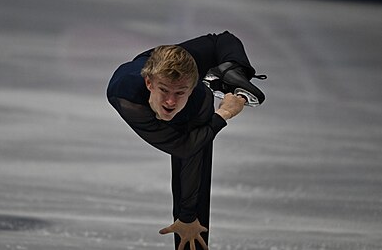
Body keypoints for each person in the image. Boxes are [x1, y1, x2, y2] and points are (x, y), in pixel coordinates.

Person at [106, 31, 266, 250]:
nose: (170, 101)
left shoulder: (199, 99)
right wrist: (224, 114)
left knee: (222, 42)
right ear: (149, 84)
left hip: (180, 77)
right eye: (164, 91)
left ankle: (230, 71)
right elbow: (183, 147)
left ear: (193, 87)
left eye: (180, 93)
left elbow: (194, 154)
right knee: (194, 138)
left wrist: (188, 218)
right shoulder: (127, 95)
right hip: (153, 64)